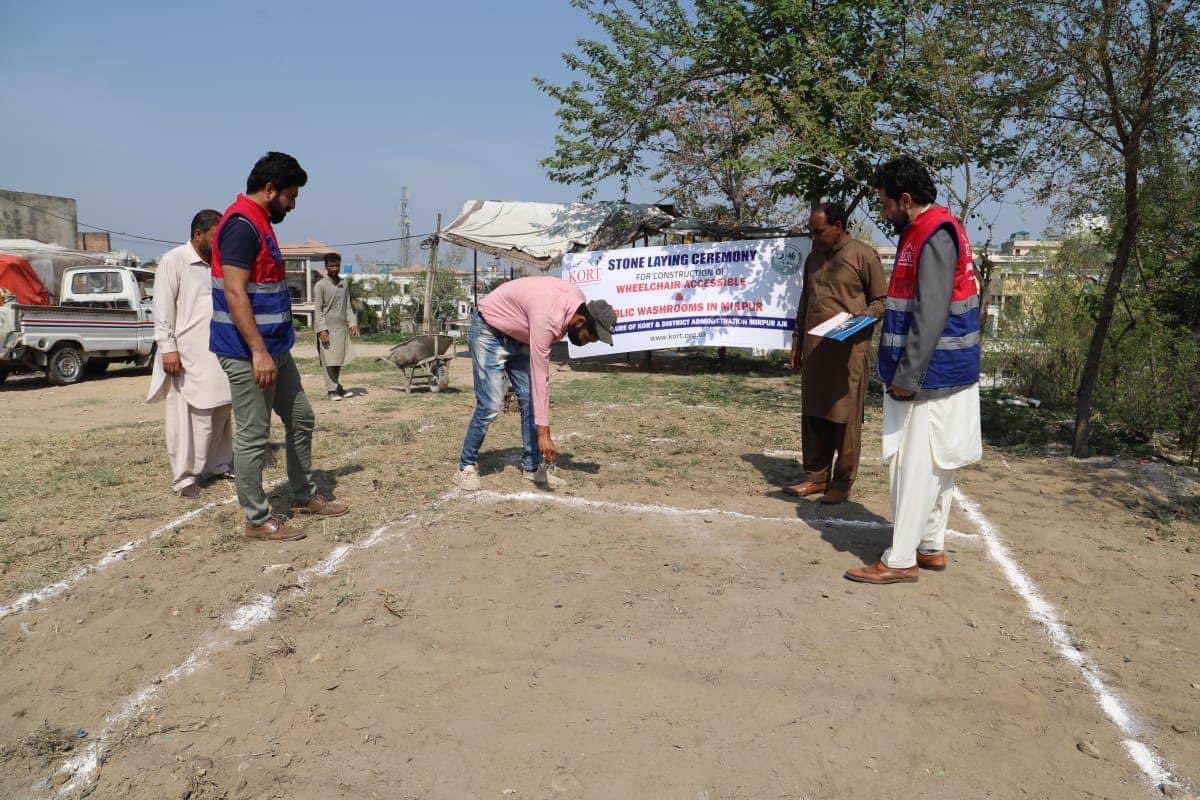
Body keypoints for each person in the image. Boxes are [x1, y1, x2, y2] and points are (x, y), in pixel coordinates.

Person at [844, 155, 982, 585]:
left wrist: (907, 376)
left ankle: (900, 558)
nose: (883, 212)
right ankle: (929, 545)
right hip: (938, 370)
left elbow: (932, 311)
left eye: (885, 204)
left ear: (905, 199)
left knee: (915, 466)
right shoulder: (922, 231)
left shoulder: (933, 233)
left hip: (930, 374)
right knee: (937, 462)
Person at [210, 151, 348, 542]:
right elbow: (236, 293)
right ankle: (256, 519)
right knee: (254, 434)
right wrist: (257, 351)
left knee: (301, 416)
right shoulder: (240, 226)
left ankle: (303, 495)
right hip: (247, 351)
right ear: (269, 189)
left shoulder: (260, 223)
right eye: (289, 196)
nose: (293, 204)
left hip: (274, 348)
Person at [455, 276, 616, 491]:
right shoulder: (548, 319)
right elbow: (542, 378)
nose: (588, 343)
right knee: (490, 405)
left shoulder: (577, 304)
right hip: (489, 330)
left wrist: (544, 429)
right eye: (590, 338)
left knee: (530, 399)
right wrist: (544, 434)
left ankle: (531, 470)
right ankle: (465, 467)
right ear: (580, 321)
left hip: (519, 336)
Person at [784, 202, 887, 505]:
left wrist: (858, 320)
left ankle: (842, 483)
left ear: (839, 226)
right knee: (813, 413)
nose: (813, 238)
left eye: (818, 232)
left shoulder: (863, 255)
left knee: (844, 418)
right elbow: (806, 302)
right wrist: (797, 342)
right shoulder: (813, 257)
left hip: (848, 352)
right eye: (811, 232)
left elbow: (882, 301)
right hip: (816, 349)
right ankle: (815, 477)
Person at [146, 210, 234, 499]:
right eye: (215, 235)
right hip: (185, 354)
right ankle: (184, 477)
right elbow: (162, 310)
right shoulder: (174, 260)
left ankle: (219, 464)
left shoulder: (220, 264)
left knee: (221, 410)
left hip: (219, 350)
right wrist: (167, 348)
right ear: (199, 234)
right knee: (186, 417)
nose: (220, 241)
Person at [313, 252, 358, 400]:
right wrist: (321, 329)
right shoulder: (320, 285)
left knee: (338, 360)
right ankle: (332, 390)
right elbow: (318, 310)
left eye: (336, 265)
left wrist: (352, 323)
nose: (334, 268)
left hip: (341, 329)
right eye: (331, 266)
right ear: (326, 267)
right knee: (328, 361)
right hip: (326, 329)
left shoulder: (343, 284)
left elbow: (348, 307)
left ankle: (336, 386)